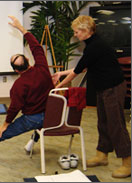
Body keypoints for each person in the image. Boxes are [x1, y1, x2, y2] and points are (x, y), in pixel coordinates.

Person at [0, 15, 54, 159]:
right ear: (29, 60)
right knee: (39, 118)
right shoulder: (43, 68)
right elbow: (36, 47)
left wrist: (5, 124)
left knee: (1, 133)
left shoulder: (19, 85)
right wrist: (20, 28)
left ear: (16, 70)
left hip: (34, 119)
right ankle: (32, 142)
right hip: (53, 115)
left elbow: (14, 108)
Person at [53, 15, 131, 178]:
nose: (75, 35)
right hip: (103, 88)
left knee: (116, 124)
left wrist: (59, 85)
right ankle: (102, 155)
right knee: (103, 122)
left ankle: (128, 162)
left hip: (113, 87)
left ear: (85, 30)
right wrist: (61, 73)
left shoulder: (95, 46)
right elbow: (82, 67)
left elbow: (76, 71)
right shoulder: (92, 45)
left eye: (76, 32)